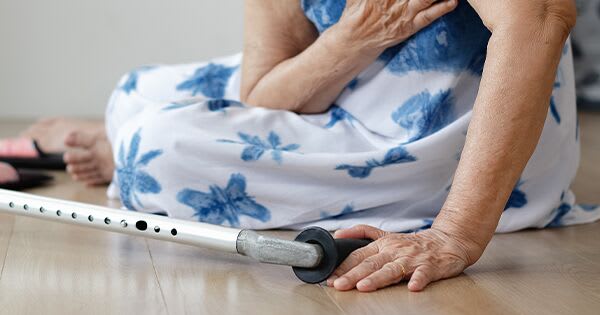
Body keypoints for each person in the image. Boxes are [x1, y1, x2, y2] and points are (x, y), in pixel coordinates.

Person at [18, 0, 600, 292]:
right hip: (357, 89)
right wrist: (354, 38)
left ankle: (130, 154)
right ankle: (130, 142)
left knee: (151, 144)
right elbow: (266, 91)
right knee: (132, 94)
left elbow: (540, 16)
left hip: (455, 132)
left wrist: (454, 235)